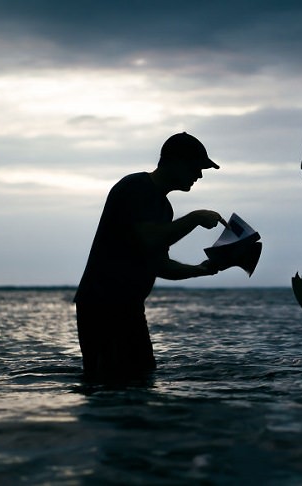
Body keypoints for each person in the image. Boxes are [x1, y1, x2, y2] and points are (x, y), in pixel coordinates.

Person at [74, 132, 227, 380]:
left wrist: (202, 269)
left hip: (129, 307)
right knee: (110, 384)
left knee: (140, 378)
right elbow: (151, 239)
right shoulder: (136, 187)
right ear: (176, 162)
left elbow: (160, 265)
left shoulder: (163, 207)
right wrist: (195, 218)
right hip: (103, 305)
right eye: (196, 167)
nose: (199, 175)